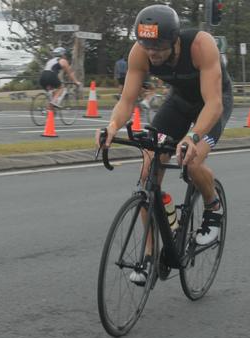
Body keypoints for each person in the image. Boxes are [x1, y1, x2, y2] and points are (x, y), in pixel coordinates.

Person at [95, 5, 232, 283]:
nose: (152, 51)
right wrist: (111, 127)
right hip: (179, 103)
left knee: (191, 160)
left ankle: (212, 207)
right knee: (148, 172)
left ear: (175, 40)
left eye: (159, 45)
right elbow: (126, 100)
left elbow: (214, 104)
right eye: (147, 44)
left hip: (212, 104)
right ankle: (149, 255)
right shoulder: (140, 53)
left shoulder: (201, 45)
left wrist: (192, 138)